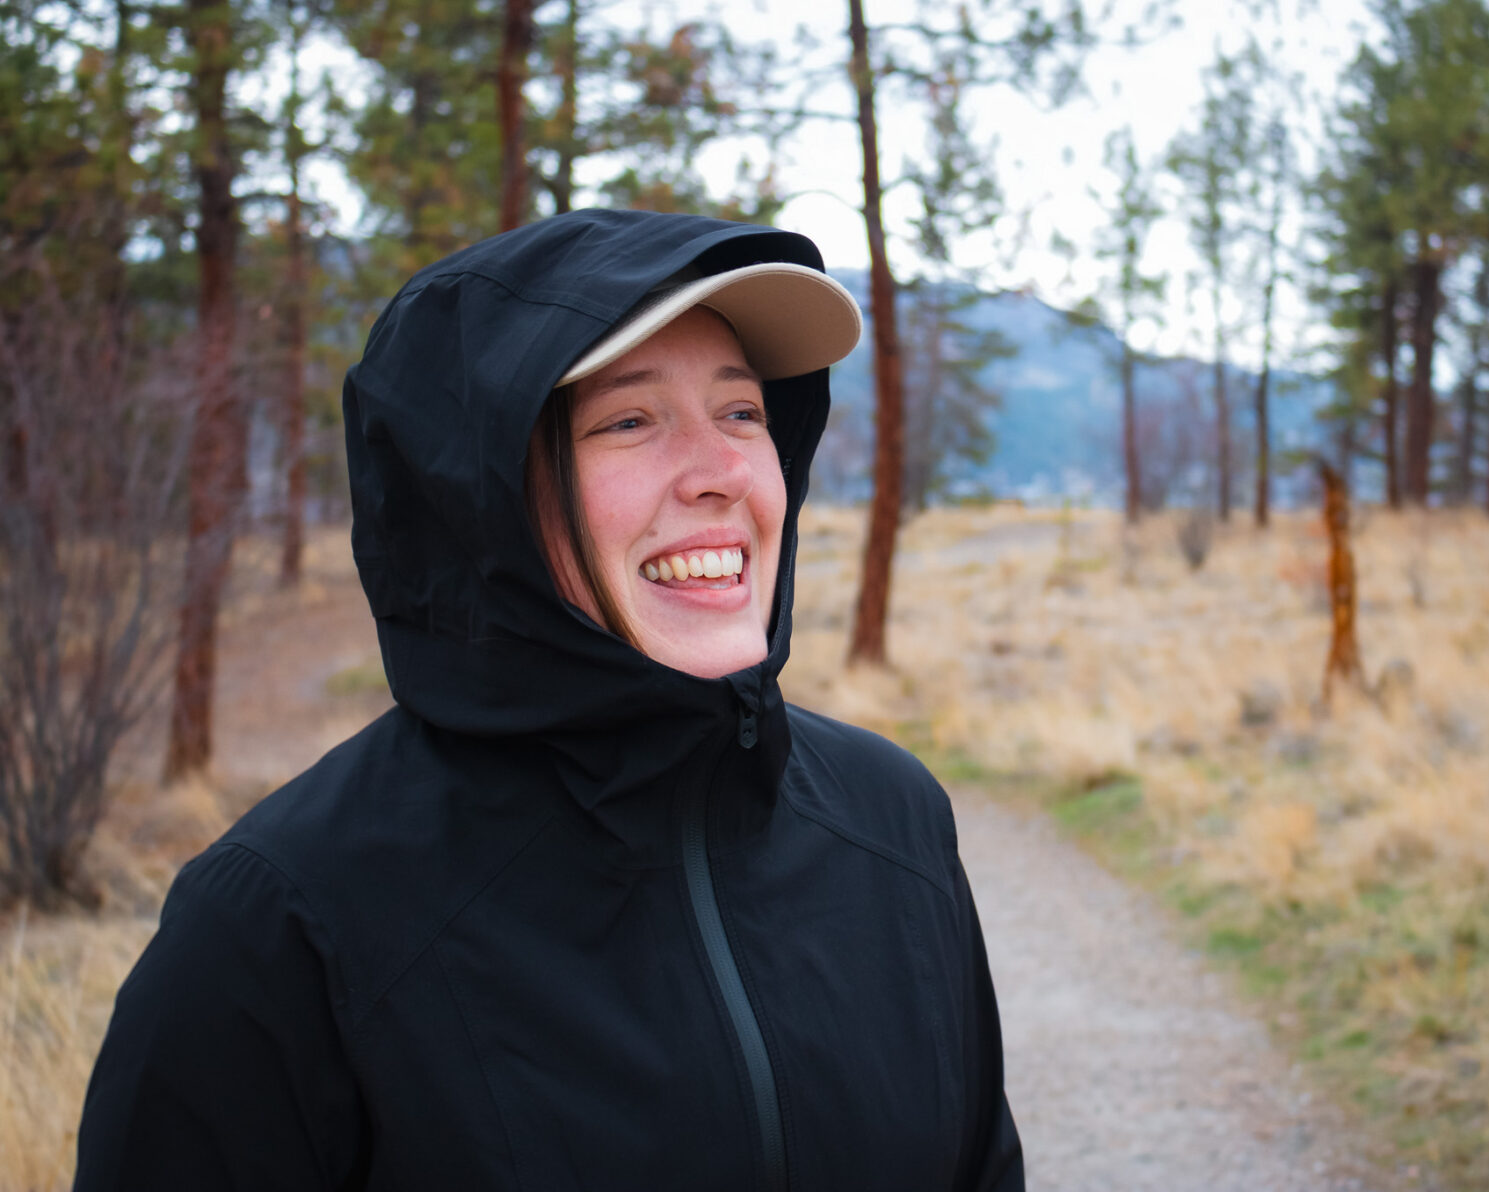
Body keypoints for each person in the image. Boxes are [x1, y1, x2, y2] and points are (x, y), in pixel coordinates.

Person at [74, 210, 1023, 1191]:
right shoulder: (280, 929)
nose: (724, 473)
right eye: (630, 420)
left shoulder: (894, 827)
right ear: (478, 504)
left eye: (741, 412)